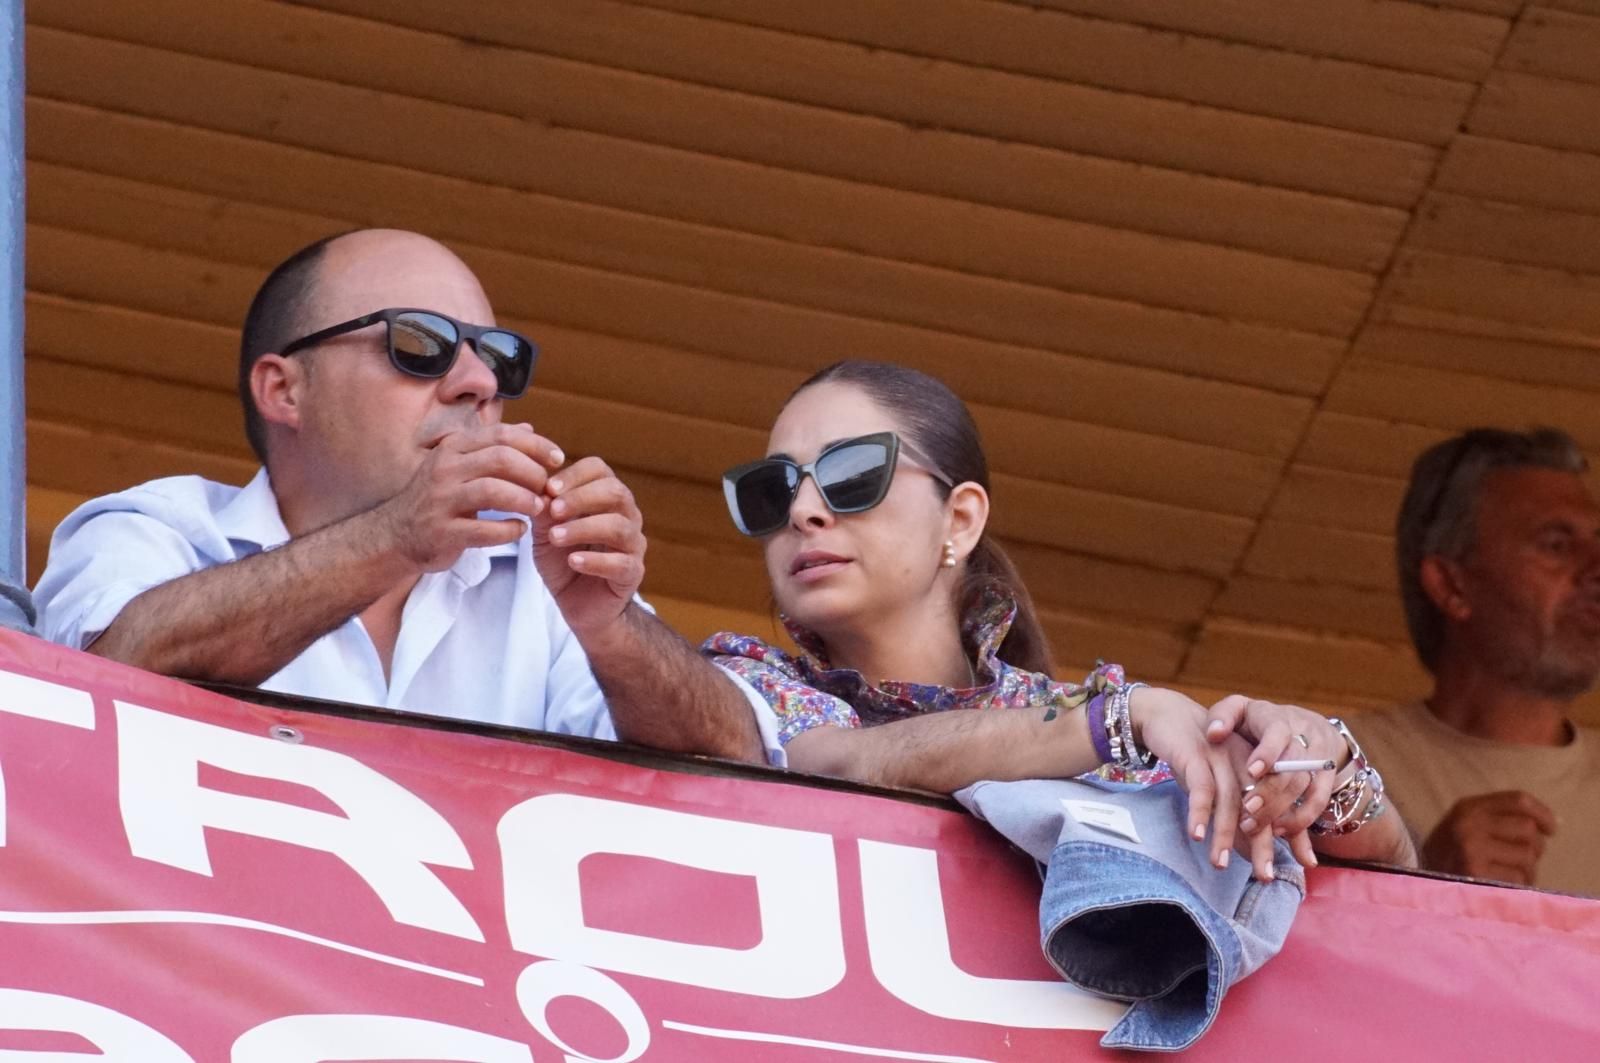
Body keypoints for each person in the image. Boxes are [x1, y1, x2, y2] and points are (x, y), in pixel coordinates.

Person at [33, 229, 769, 762]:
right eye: (421, 344)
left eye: (500, 358)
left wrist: (612, 630)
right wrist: (396, 537)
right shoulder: (154, 530)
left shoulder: (543, 579)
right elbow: (87, 688)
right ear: (284, 389)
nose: (477, 381)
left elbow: (741, 764)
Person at [703, 360, 1416, 880]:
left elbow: (1397, 880)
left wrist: (1322, 768)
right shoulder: (742, 687)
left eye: (851, 473)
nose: (803, 511)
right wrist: (1116, 719)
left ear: (961, 517)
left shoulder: (1100, 726)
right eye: (773, 491)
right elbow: (841, 762)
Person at [1357, 427, 1600, 896]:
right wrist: (1425, 880)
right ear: (1451, 584)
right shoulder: (1340, 771)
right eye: (1556, 544)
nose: (1596, 567)